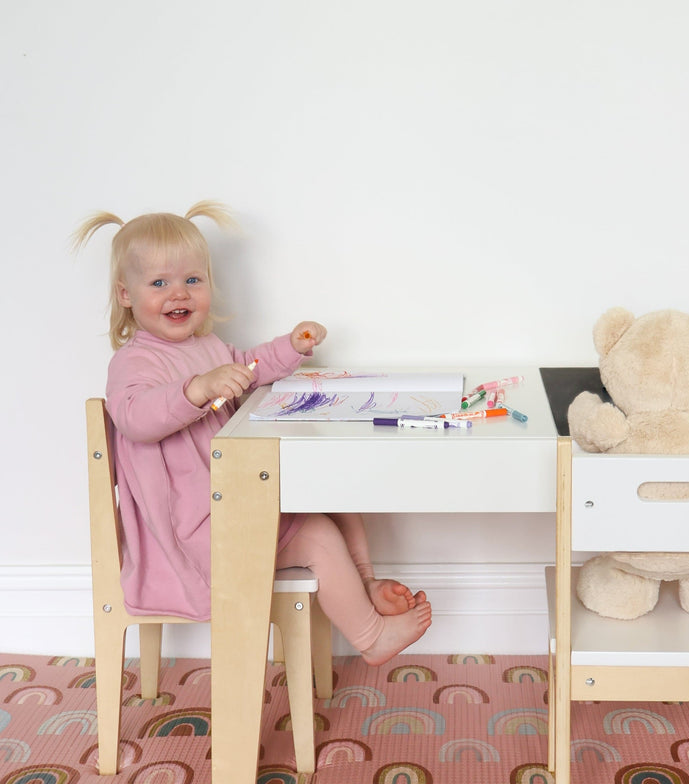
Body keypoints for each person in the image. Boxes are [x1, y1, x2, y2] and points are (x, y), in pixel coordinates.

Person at [74, 202, 432, 666]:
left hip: (230, 502)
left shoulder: (207, 346)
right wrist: (197, 389)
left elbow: (249, 368)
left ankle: (362, 585)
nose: (178, 293)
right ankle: (371, 635)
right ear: (126, 294)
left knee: (334, 495)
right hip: (195, 533)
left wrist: (291, 346)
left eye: (192, 279)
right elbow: (135, 417)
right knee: (318, 535)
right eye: (159, 283)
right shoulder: (133, 362)